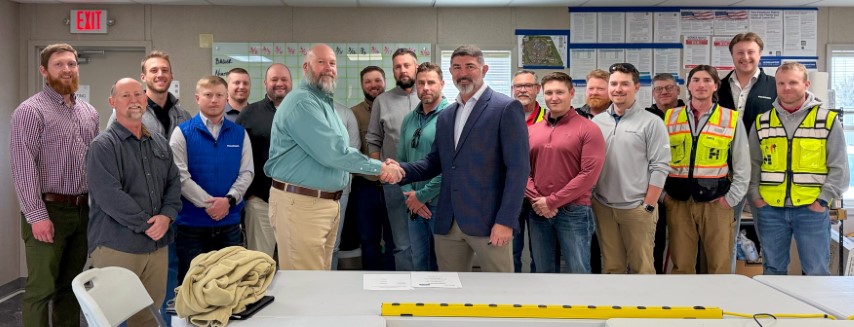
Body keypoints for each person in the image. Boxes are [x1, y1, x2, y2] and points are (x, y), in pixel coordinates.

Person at [264, 44, 402, 270]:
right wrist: (381, 168)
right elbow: (334, 153)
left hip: (324, 204)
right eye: (321, 62)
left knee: (321, 279)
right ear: (306, 66)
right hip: (301, 205)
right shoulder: (302, 103)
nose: (328, 68)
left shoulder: (324, 103)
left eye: (332, 63)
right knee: (306, 285)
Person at [397, 44, 529, 273]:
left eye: (470, 66)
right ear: (451, 72)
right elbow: (434, 163)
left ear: (484, 69)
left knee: (500, 292)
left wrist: (506, 221)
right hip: (449, 222)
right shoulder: (448, 115)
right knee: (450, 292)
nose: (463, 73)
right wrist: (400, 170)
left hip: (490, 222)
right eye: (457, 67)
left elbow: (518, 170)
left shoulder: (505, 108)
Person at [11, 43, 99, 327]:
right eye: (59, 64)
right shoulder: (30, 111)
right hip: (48, 210)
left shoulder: (89, 113)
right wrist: (37, 216)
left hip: (82, 211)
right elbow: (23, 167)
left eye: (71, 64)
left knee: (71, 287)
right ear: (44, 71)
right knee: (41, 289)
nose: (67, 69)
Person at [85, 78, 181, 326]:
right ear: (112, 102)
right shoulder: (103, 146)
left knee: (149, 317)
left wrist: (166, 216)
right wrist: (148, 224)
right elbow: (109, 195)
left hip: (157, 247)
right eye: (125, 96)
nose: (134, 100)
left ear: (145, 100)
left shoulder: (160, 143)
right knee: (110, 318)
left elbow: (173, 183)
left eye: (138, 95)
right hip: (118, 246)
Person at [749, 62, 849, 275]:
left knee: (816, 271)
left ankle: (817, 310)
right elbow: (753, 165)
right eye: (781, 83)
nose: (786, 88)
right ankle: (775, 310)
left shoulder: (827, 121)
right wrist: (756, 198)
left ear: (806, 84)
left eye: (793, 82)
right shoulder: (762, 122)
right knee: (772, 269)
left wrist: (822, 201)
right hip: (770, 210)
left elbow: (839, 168)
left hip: (811, 209)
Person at [662, 65, 749, 274]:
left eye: (707, 80)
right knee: (681, 266)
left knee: (719, 266)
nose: (701, 85)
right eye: (696, 80)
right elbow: (656, 161)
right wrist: (663, 196)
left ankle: (720, 306)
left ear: (715, 86)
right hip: (678, 202)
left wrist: (730, 200)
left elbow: (743, 165)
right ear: (688, 86)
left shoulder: (730, 118)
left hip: (716, 203)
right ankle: (685, 307)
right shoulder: (670, 117)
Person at [169, 76, 254, 281]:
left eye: (219, 95)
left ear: (226, 99)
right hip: (191, 227)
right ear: (197, 98)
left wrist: (229, 201)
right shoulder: (182, 132)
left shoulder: (239, 134)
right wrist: (209, 204)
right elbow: (180, 176)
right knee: (192, 285)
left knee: (230, 283)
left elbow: (247, 172)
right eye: (208, 95)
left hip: (229, 225)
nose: (214, 100)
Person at [591, 63, 671, 274]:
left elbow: (660, 166)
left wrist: (648, 205)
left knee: (642, 268)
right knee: (611, 267)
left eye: (624, 84)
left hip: (637, 209)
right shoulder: (597, 122)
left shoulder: (651, 122)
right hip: (604, 207)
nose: (618, 89)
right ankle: (616, 307)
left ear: (636, 87)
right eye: (614, 83)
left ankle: (645, 307)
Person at [526, 72, 605, 274]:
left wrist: (552, 202)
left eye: (560, 92)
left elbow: (589, 175)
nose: (554, 97)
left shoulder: (589, 129)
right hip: (537, 211)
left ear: (571, 93)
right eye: (549, 92)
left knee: (578, 270)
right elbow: (521, 170)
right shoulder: (532, 131)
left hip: (574, 212)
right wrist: (539, 200)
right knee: (542, 271)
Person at [717, 32, 778, 272]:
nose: (745, 57)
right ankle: (728, 289)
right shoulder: (718, 87)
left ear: (759, 54)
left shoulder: (774, 86)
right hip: (729, 174)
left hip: (765, 173)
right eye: (740, 52)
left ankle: (774, 289)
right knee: (726, 238)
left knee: (771, 238)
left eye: (751, 52)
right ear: (732, 55)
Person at [366, 48, 421, 271]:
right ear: (393, 71)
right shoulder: (382, 101)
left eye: (407, 65)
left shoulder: (429, 96)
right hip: (394, 184)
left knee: (432, 241)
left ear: (416, 67)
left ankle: (432, 291)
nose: (403, 70)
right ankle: (406, 292)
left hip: (429, 183)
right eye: (398, 66)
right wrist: (380, 171)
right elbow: (373, 139)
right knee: (401, 243)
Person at [397, 62, 450, 272]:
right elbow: (401, 159)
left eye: (431, 82)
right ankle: (420, 304)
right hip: (412, 204)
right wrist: (409, 194)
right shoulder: (409, 119)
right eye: (421, 83)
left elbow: (451, 167)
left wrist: (423, 195)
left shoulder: (451, 116)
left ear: (442, 84)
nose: (425, 87)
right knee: (419, 262)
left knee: (442, 265)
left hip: (441, 204)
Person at [236, 63, 292, 259]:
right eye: (274, 79)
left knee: (295, 267)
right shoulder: (249, 113)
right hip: (260, 202)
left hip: (297, 203)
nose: (279, 84)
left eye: (284, 79)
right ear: (265, 83)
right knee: (259, 264)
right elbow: (238, 157)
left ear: (291, 83)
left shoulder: (303, 112)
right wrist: (248, 195)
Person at [348, 66, 396, 270]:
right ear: (362, 85)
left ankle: (395, 285)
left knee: (396, 239)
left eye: (378, 80)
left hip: (395, 185)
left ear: (385, 81)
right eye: (368, 81)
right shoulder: (354, 114)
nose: (373, 85)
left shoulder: (398, 108)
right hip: (366, 186)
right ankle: (372, 284)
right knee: (368, 239)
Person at [108, 50, 192, 139]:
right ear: (143, 77)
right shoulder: (123, 114)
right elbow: (109, 147)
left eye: (164, 70)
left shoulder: (184, 116)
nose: (160, 74)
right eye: (154, 70)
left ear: (171, 76)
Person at [511, 69, 546, 273]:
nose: (522, 90)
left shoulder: (549, 118)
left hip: (540, 197)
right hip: (511, 197)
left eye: (528, 86)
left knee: (541, 254)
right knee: (511, 252)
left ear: (537, 89)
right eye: (518, 86)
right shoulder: (503, 115)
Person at [332, 101, 361, 269]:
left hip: (339, 191)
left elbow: (353, 152)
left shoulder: (345, 114)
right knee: (310, 245)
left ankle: (329, 287)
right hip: (308, 193)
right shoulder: (300, 111)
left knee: (334, 245)